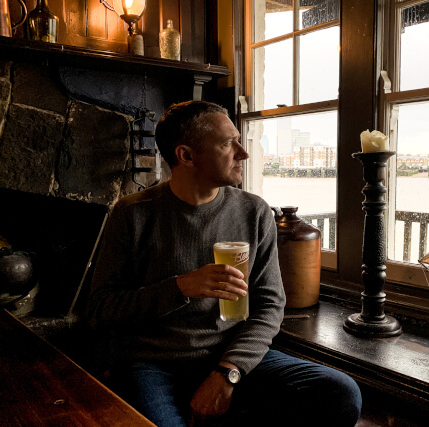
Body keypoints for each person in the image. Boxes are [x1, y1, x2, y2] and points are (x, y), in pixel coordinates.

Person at [86, 100, 362, 427]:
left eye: (239, 140)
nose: (243, 152)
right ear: (186, 155)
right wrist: (180, 287)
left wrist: (228, 372)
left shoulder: (254, 212)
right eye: (227, 144)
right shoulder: (132, 213)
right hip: (151, 363)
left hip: (227, 354)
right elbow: (100, 310)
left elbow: (270, 304)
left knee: (341, 393)